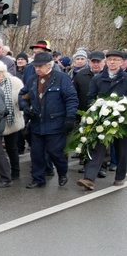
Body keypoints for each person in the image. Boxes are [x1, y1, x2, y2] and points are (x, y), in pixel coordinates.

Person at [19, 52, 78, 188]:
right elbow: (22, 95)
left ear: (49, 65)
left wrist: (70, 117)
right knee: (37, 154)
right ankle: (38, 179)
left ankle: (62, 172)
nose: (38, 69)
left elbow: (71, 99)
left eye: (41, 66)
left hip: (55, 123)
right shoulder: (32, 80)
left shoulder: (61, 79)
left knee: (55, 152)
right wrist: (25, 108)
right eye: (36, 66)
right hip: (37, 123)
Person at [77, 50, 127, 190]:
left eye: (116, 60)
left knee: (122, 149)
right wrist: (97, 107)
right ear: (106, 61)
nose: (113, 62)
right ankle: (89, 178)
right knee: (97, 147)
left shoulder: (126, 78)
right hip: (101, 119)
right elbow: (90, 97)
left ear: (122, 62)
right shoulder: (98, 79)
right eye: (110, 59)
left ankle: (120, 176)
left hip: (122, 120)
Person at [0, 60, 25, 181]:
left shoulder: (15, 82)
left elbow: (21, 99)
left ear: (4, 73)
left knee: (11, 148)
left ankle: (15, 171)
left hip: (11, 121)